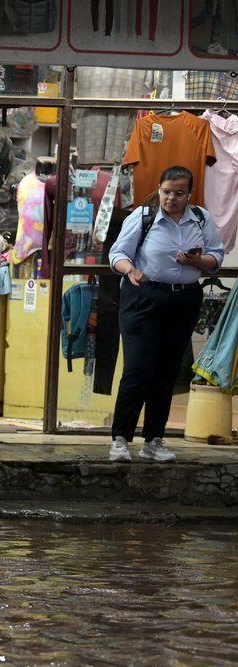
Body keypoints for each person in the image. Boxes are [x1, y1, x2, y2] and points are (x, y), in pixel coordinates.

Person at [107, 165, 225, 463]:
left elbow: (216, 259)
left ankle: (154, 440)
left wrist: (198, 260)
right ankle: (120, 439)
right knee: (138, 369)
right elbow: (117, 253)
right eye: (166, 192)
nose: (171, 198)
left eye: (179, 193)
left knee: (166, 372)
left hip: (183, 300)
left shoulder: (200, 218)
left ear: (189, 195)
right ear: (159, 189)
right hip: (143, 297)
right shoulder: (144, 217)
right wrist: (129, 269)